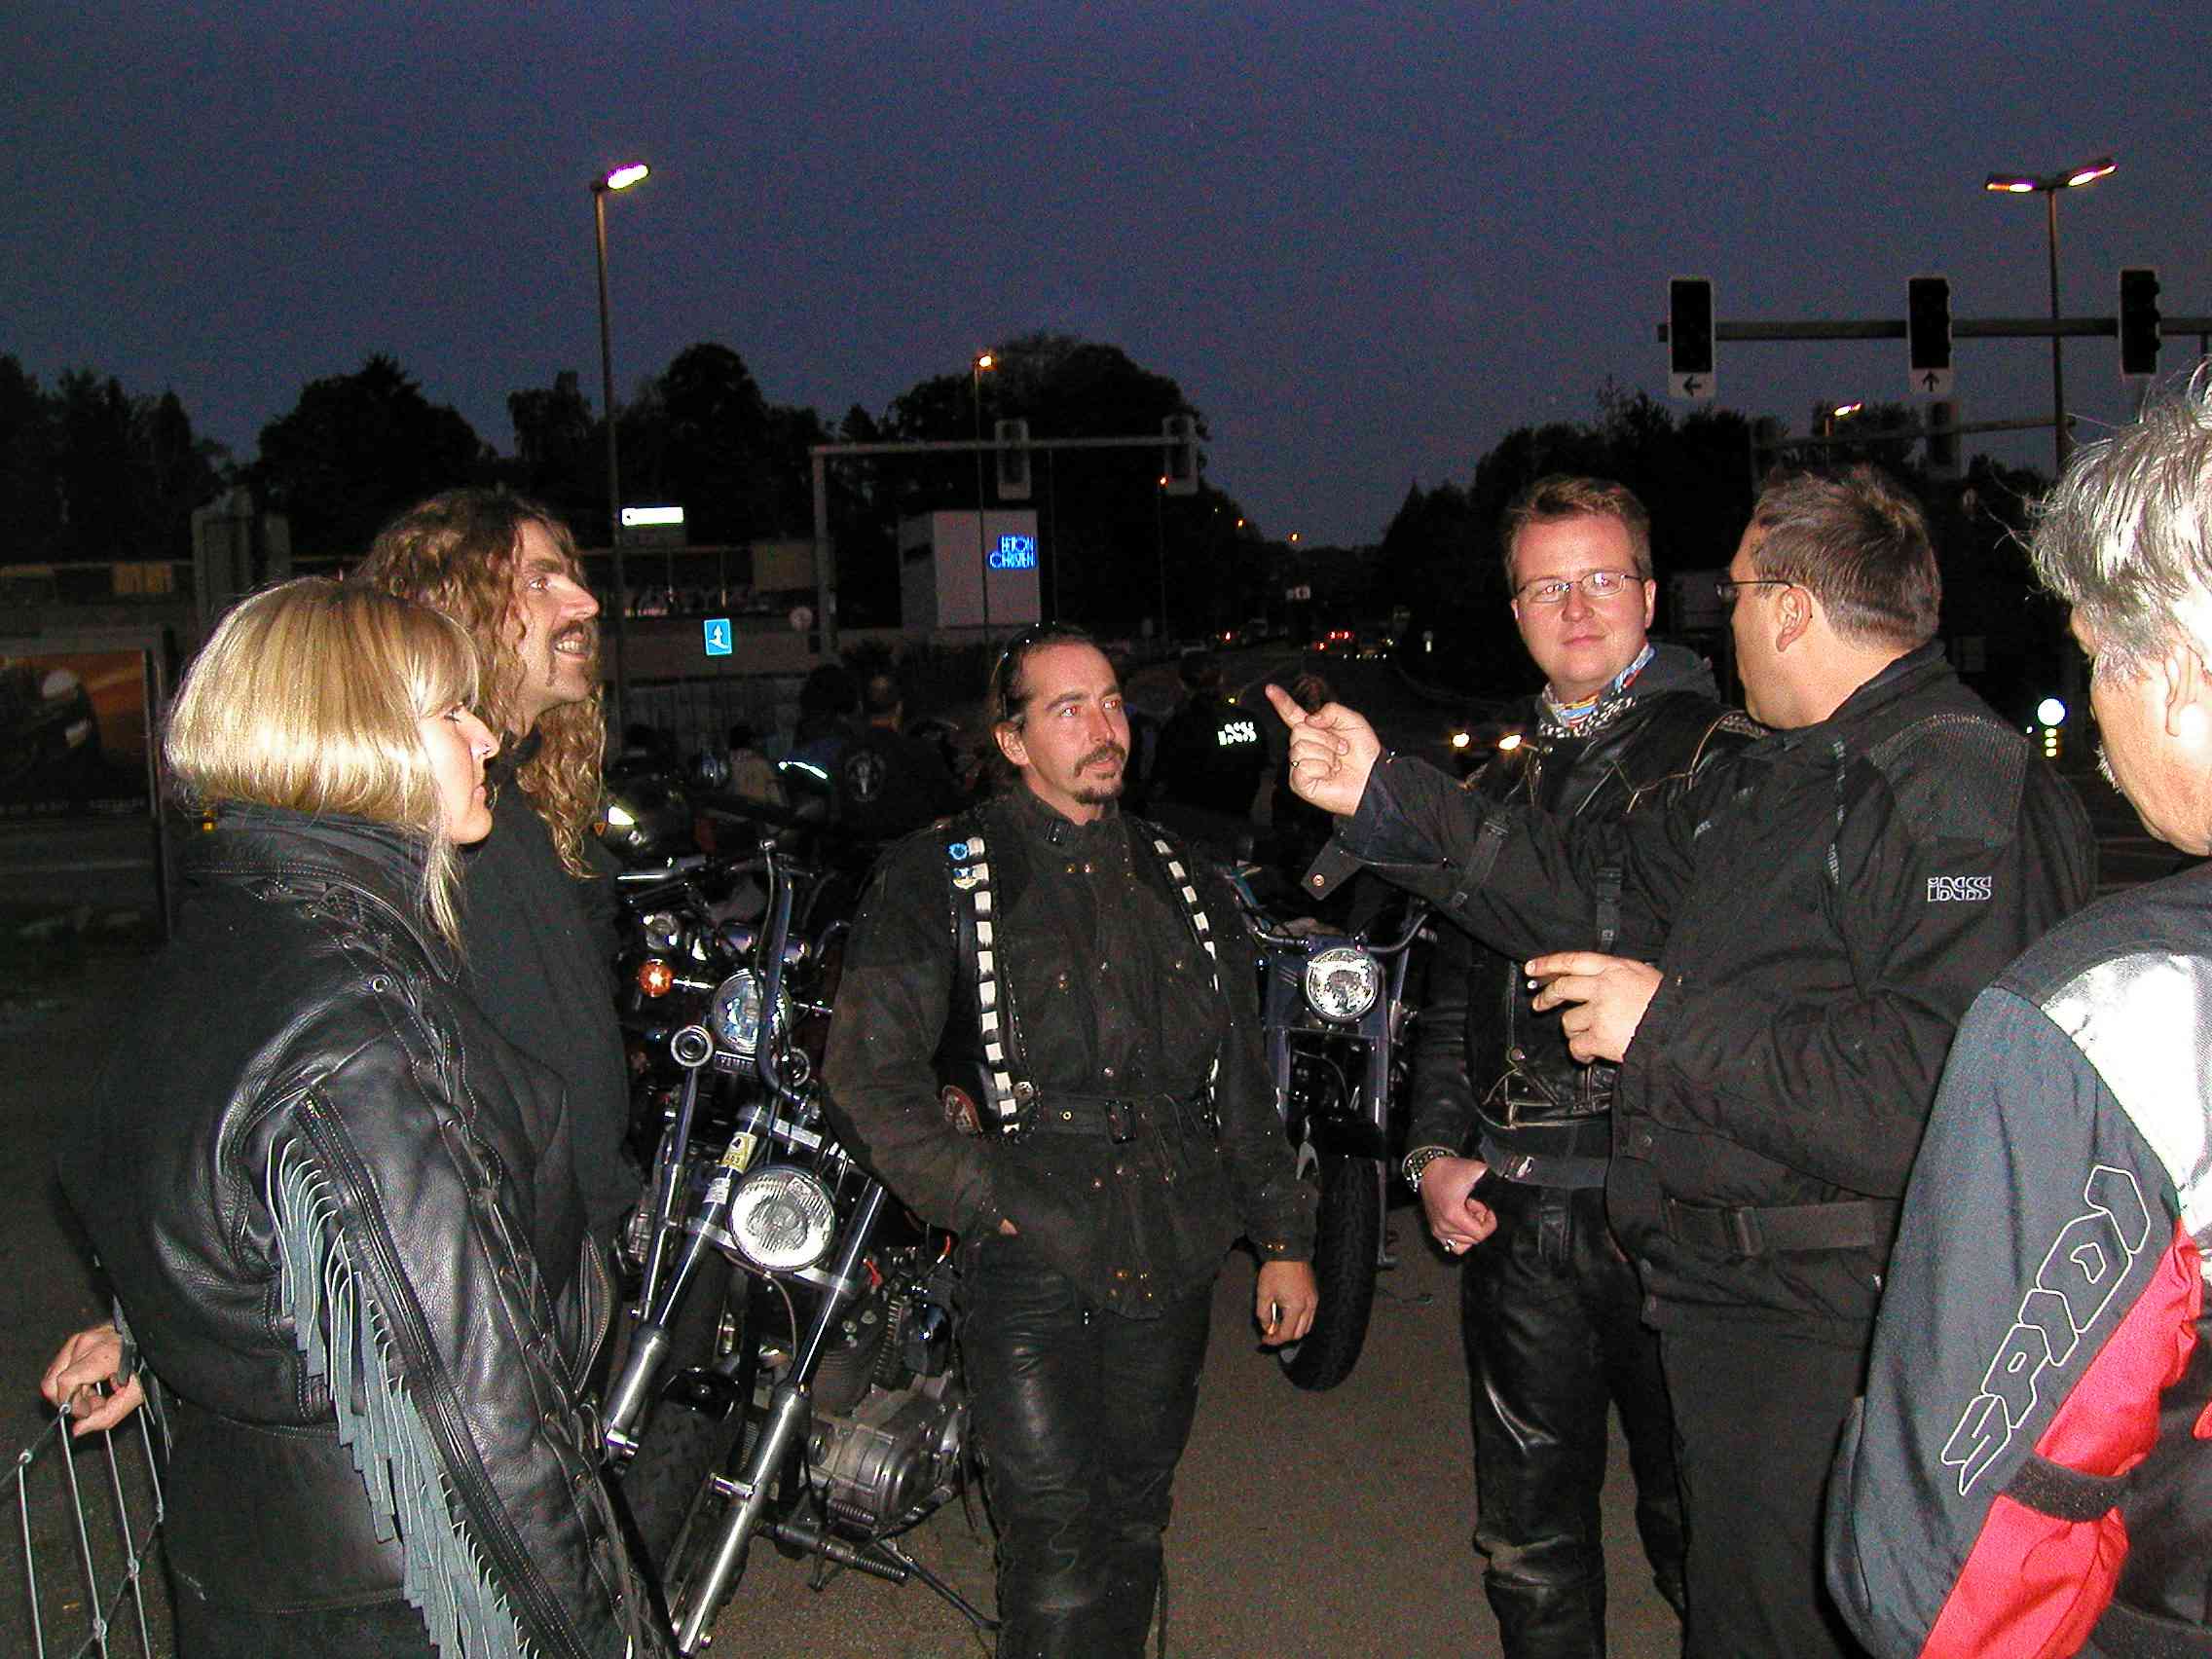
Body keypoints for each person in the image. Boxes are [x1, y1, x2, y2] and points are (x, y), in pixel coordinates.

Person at [1272, 465, 2095, 1658]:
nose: (1724, 619)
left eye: (1736, 593)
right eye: (1544, 588)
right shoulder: (1790, 771)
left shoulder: (1940, 780)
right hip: (1727, 1295)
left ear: (1793, 608)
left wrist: (1662, 1027)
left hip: (1844, 1308)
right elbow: (1577, 895)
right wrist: (1385, 795)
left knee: (1792, 1608)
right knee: (1715, 1597)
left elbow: (1937, 1092)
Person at [45, 579, 658, 1658]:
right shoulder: (357, 1024)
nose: (485, 738)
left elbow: (227, 1225)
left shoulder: (237, 939)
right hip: (413, 1595)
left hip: (252, 1568)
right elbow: (483, 1424)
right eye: (450, 713)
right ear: (359, 738)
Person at [46, 489, 635, 1424]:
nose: (584, 603)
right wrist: (158, 1326)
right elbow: (258, 1111)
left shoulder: (500, 808)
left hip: (552, 1278)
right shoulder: (381, 862)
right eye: (538, 580)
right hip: (498, 1313)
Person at [821, 622, 1317, 1657]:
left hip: (1175, 1234)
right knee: (1051, 1540)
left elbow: (1239, 1079)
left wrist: (1284, 1237)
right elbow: (868, 1075)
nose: (1104, 728)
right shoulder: (938, 873)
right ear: (1011, 740)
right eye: (1067, 708)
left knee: (1134, 1522)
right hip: (1032, 1247)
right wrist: (986, 1198)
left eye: (1111, 703)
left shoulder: (1188, 879)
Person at [1827, 374, 2212, 1657]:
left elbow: (1948, 1575)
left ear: (2185, 677)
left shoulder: (2111, 1016)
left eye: (2101, 663)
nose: (2095, 715)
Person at [1405, 476, 1756, 1656]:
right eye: (1546, 586)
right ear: (1513, 612)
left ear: (1650, 595)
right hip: (1520, 1209)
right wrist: (1433, 1150)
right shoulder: (1495, 783)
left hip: (1670, 1202)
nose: (1575, 608)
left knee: (1700, 1530)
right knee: (1528, 1545)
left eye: (1601, 578)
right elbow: (1454, 989)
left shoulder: (1721, 756)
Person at [1147, 648, 1270, 859]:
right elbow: (1260, 763)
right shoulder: (1248, 721)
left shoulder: (1179, 726)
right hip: (1239, 821)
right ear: (1221, 679)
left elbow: (1161, 778)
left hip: (1194, 830)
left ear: (1182, 683)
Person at [833, 670, 966, 842]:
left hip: (857, 850)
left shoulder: (843, 754)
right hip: (910, 850)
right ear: (899, 707)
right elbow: (951, 804)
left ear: (861, 707)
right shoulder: (917, 751)